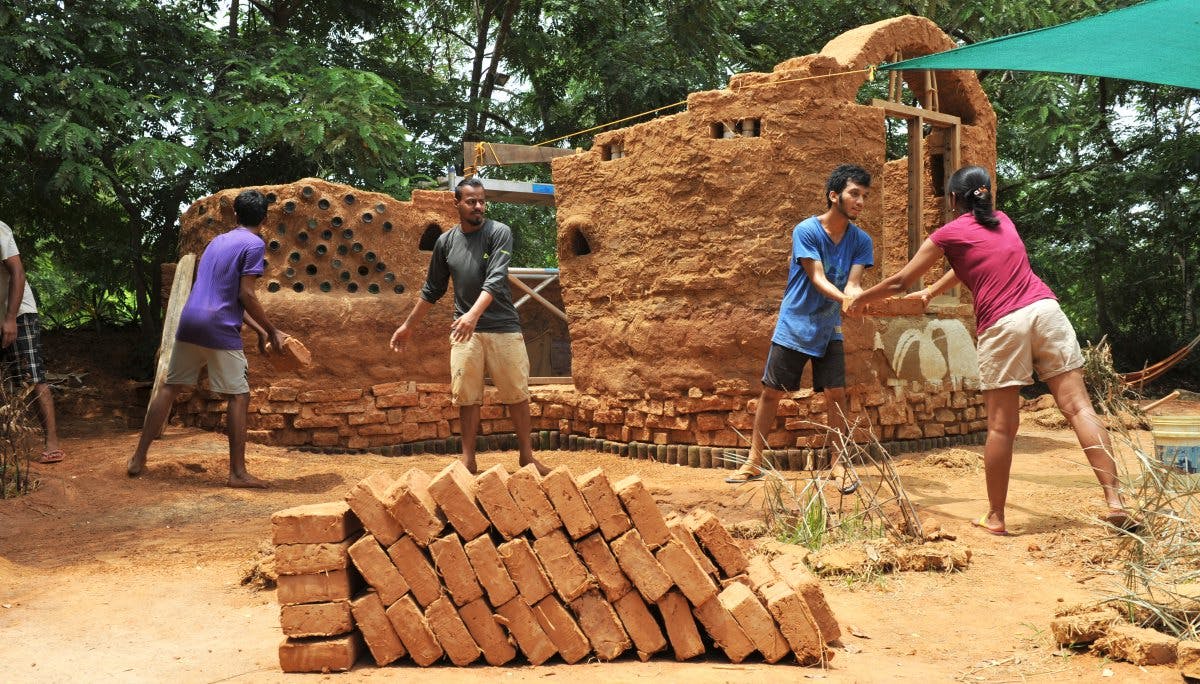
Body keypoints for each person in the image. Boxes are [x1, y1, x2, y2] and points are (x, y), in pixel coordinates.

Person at [846, 165, 1130, 534]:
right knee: (1079, 408)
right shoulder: (1002, 221)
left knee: (1000, 426)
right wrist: (932, 292)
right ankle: (1115, 500)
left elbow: (901, 279)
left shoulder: (948, 233)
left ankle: (996, 516)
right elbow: (973, 263)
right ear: (986, 195)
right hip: (1046, 311)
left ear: (952, 199)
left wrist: (859, 300)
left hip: (1004, 323)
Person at [725, 164, 874, 492]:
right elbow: (817, 277)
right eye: (854, 194)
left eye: (865, 196)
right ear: (834, 195)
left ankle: (839, 465)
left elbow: (853, 283)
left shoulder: (862, 241)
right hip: (795, 322)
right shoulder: (806, 230)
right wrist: (848, 302)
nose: (861, 201)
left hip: (828, 325)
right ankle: (753, 462)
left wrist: (858, 299)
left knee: (836, 394)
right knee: (771, 392)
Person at [390, 177, 548, 476]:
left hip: (503, 327)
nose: (478, 206)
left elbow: (495, 278)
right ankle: (468, 460)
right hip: (465, 331)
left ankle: (527, 456)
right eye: (471, 201)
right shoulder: (445, 242)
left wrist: (472, 316)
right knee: (466, 395)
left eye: (482, 200)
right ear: (457, 204)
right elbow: (432, 289)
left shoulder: (499, 232)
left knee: (517, 393)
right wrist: (408, 326)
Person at [127, 189, 285, 488]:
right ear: (265, 218)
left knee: (169, 387)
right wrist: (273, 330)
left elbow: (224, 295)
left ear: (235, 215)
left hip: (190, 319)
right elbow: (245, 294)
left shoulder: (216, 242)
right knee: (238, 396)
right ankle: (237, 473)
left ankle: (138, 457)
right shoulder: (254, 244)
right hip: (219, 327)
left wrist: (262, 330)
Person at [0, 220, 64, 463]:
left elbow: (18, 271)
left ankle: (51, 442)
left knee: (32, 377)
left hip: (18, 313)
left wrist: (9, 319)